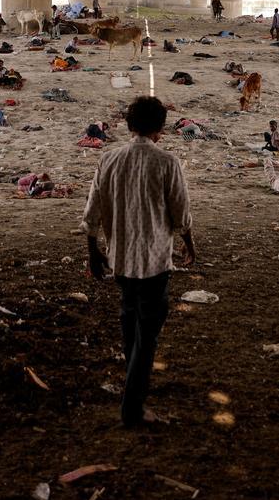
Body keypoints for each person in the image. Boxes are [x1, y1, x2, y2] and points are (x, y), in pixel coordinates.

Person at [82, 96, 195, 427]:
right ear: (161, 129)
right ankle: (133, 407)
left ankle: (134, 385)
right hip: (154, 260)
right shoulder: (166, 162)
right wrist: (189, 244)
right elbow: (181, 213)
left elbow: (92, 211)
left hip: (120, 259)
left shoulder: (109, 159)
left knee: (130, 323)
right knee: (148, 333)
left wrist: (94, 251)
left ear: (129, 126)